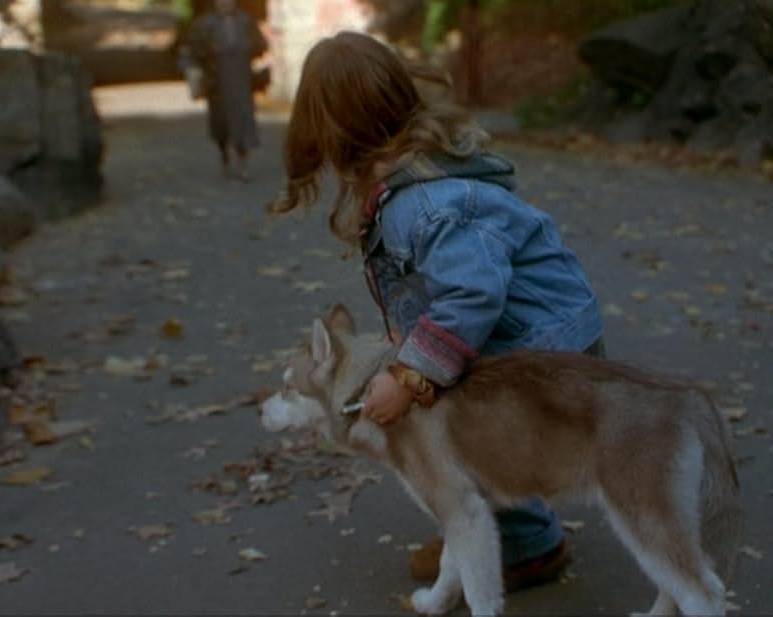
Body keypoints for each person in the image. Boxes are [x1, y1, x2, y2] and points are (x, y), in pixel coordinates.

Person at [272, 32, 606, 592]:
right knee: (444, 392)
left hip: (546, 349)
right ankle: (513, 532)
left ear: (336, 135)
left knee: (443, 408)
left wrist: (410, 375)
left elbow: (474, 294)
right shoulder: (405, 180)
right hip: (535, 335)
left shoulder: (422, 202)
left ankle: (523, 546)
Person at [187, 0, 266, 180]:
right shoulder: (205, 24)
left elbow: (260, 45)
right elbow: (194, 51)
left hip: (242, 80)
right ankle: (224, 157)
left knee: (243, 121)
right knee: (220, 123)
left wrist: (248, 49)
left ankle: (243, 163)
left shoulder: (245, 21)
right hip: (218, 82)